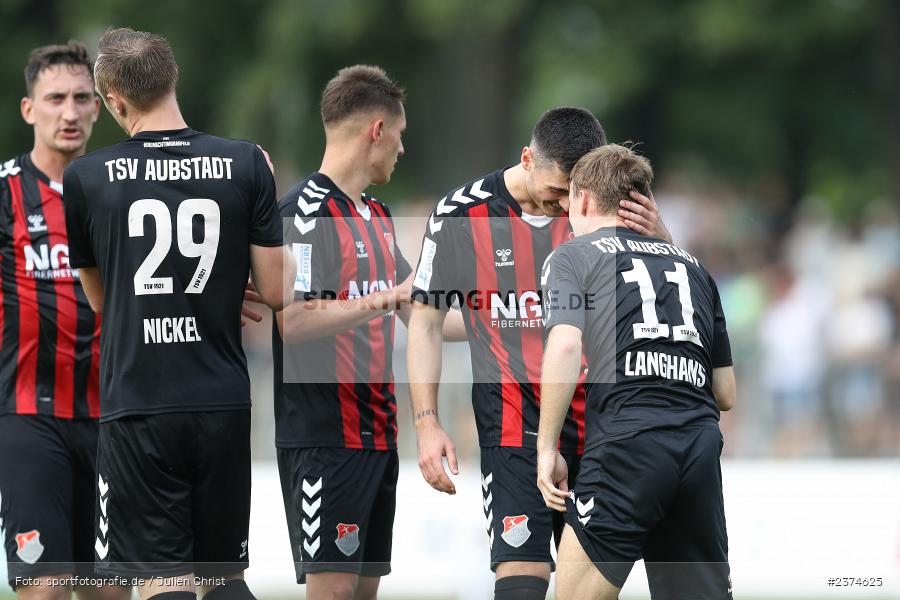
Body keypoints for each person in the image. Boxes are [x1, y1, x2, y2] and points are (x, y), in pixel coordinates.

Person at [62, 28, 294, 600]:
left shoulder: (85, 178)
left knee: (161, 581)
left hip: (139, 402)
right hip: (221, 399)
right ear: (173, 79)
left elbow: (102, 300)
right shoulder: (245, 162)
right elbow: (276, 291)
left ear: (114, 101)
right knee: (224, 578)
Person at [407, 107, 669, 600]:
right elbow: (425, 322)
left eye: (574, 192)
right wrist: (426, 422)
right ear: (527, 159)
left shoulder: (606, 208)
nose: (564, 205)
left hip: (600, 423)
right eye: (556, 191)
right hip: (512, 423)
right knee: (521, 578)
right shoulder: (460, 215)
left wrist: (662, 237)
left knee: (587, 589)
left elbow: (666, 292)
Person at [274, 65, 463, 600]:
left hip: (378, 437)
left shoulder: (377, 215)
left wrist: (511, 320)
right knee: (332, 592)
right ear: (376, 131)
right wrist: (386, 296)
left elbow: (421, 314)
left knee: (362, 593)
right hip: (324, 440)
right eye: (398, 136)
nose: (401, 149)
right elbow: (293, 319)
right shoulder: (303, 214)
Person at [537, 144, 736, 600]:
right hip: (699, 448)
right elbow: (725, 391)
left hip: (627, 445)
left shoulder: (572, 256)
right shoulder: (694, 268)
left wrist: (547, 447)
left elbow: (565, 345)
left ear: (585, 198)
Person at [0, 41, 130, 600]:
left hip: (113, 421)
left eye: (81, 98)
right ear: (29, 109)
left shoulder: (121, 193)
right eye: (55, 98)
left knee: (110, 592)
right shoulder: (5, 192)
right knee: (46, 587)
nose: (69, 112)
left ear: (99, 107)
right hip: (29, 417)